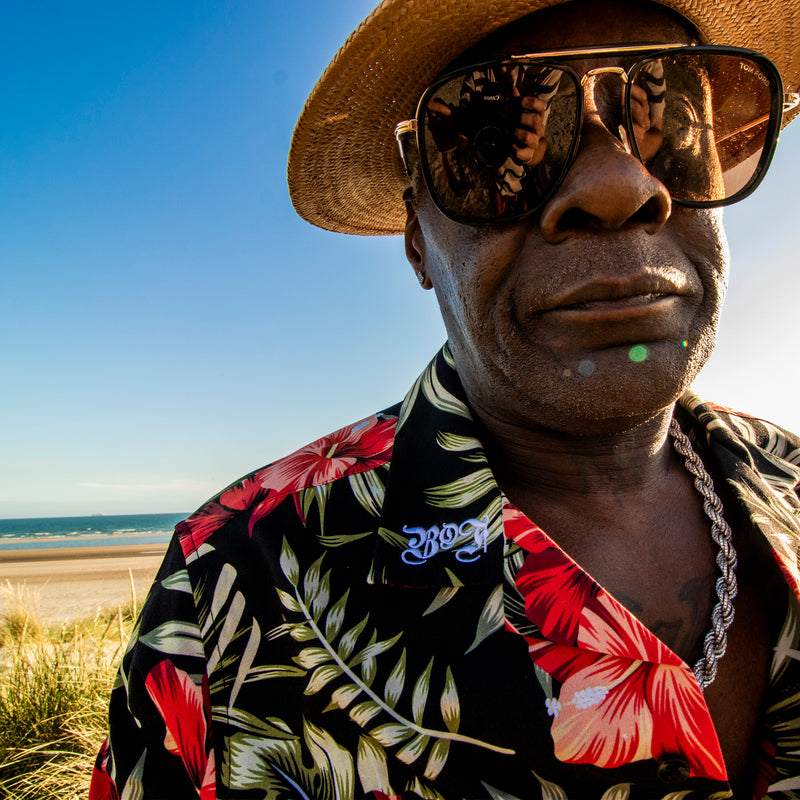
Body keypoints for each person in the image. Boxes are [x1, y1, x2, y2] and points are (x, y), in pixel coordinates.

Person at [89, 0, 800, 797]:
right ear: (420, 243)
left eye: (669, 118)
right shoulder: (233, 581)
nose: (618, 186)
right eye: (500, 142)